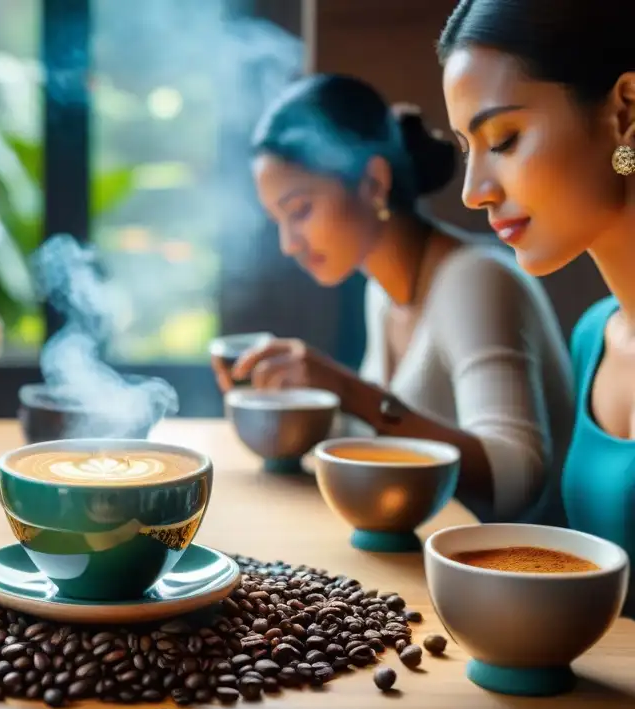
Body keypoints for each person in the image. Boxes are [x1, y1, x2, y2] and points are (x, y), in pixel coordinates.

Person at [214, 73, 575, 528]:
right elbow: (378, 432)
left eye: (300, 210)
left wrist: (345, 388)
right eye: (277, 221)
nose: (289, 243)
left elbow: (515, 482)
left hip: (525, 575)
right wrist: (292, 392)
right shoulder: (380, 291)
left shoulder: (476, 279)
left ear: (373, 183)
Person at [439, 0, 635, 604]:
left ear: (626, 114)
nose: (474, 191)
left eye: (504, 138)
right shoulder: (594, 337)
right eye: (467, 148)